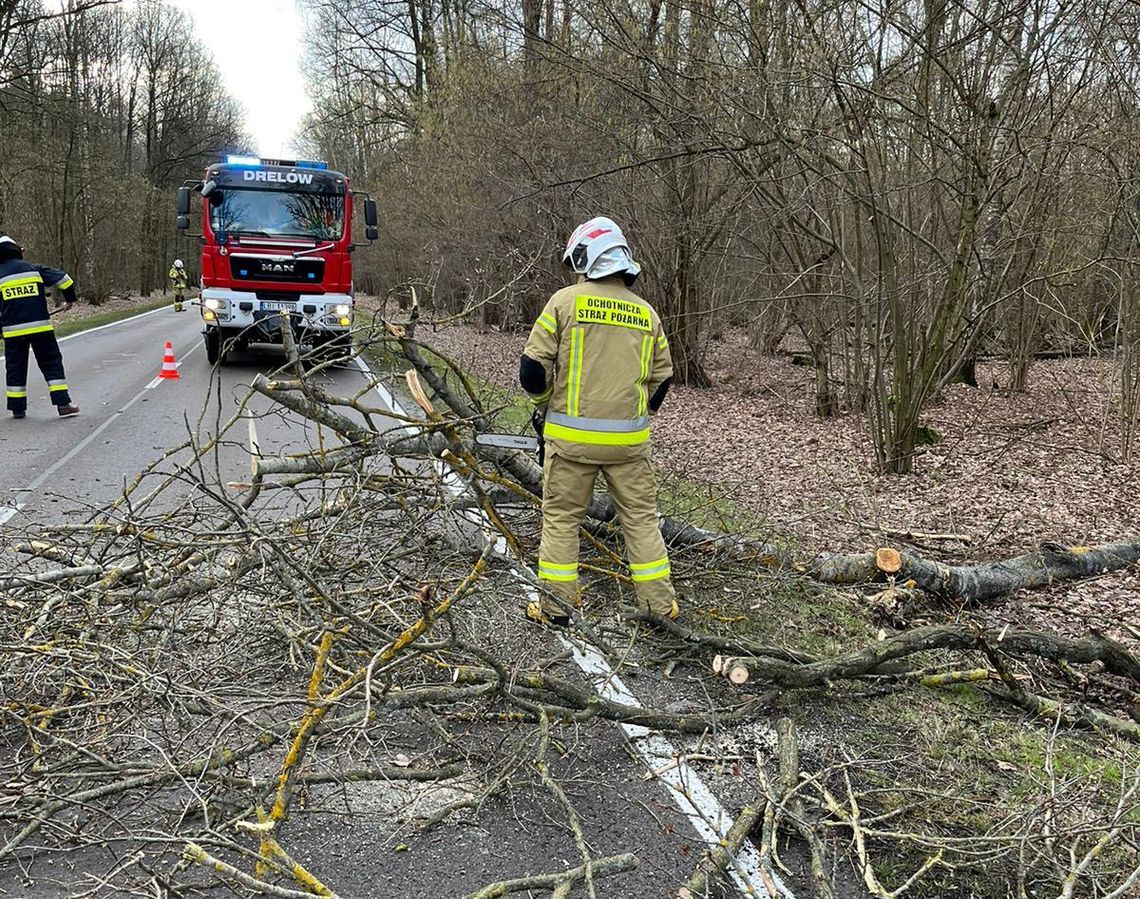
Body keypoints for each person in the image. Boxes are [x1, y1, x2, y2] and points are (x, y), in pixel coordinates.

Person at [519, 216, 676, 626]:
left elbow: (532, 370)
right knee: (641, 521)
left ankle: (556, 608)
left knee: (561, 520)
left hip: (570, 446)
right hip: (628, 447)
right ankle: (659, 609)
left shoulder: (565, 302)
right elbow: (662, 379)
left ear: (587, 258)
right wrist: (639, 415)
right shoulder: (647, 314)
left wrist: (544, 405)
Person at [0, 236, 79, 419]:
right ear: (16, 251)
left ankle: (17, 408)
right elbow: (66, 280)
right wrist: (70, 299)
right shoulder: (34, 269)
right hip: (41, 329)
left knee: (15, 367)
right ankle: (63, 403)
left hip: (13, 332)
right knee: (51, 364)